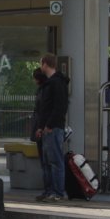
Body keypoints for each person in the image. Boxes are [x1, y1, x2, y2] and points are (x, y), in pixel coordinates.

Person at [35, 53, 69, 201]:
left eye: (41, 63)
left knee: (55, 161)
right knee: (48, 161)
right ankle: (50, 190)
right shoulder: (52, 83)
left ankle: (57, 192)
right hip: (48, 128)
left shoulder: (56, 83)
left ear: (45, 64)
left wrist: (48, 125)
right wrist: (41, 127)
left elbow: (59, 107)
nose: (40, 66)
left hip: (53, 128)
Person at [29, 68, 50, 200]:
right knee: (47, 160)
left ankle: (48, 189)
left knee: (46, 161)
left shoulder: (43, 91)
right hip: (43, 127)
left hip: (41, 128)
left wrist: (40, 127)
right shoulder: (45, 89)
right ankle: (49, 189)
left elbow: (41, 110)